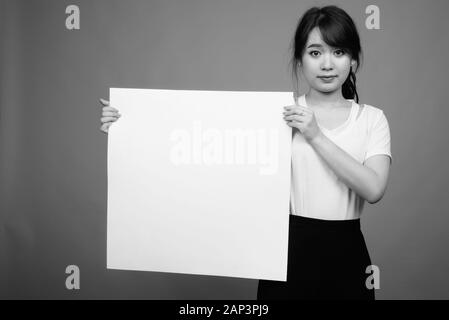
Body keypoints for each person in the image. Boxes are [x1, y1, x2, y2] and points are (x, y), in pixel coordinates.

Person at [99, 4, 391, 300]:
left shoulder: (371, 119)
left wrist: (315, 135)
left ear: (353, 60)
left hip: (348, 253)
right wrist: (130, 128)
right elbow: (203, 147)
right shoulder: (275, 117)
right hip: (284, 251)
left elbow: (374, 188)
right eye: (315, 53)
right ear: (300, 61)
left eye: (338, 52)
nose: (327, 64)